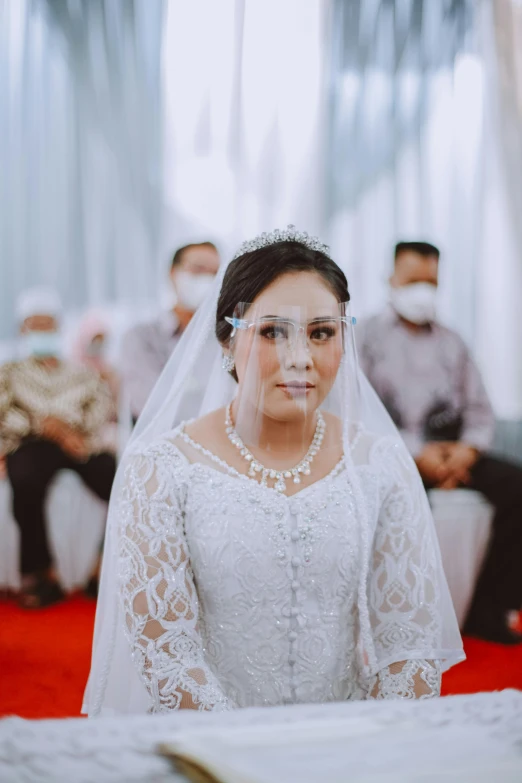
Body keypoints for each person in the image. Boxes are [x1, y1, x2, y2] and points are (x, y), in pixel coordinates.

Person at [84, 227, 463, 716]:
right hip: (210, 747)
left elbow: (408, 645)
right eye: (272, 332)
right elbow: (167, 655)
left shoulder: (381, 465)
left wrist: (374, 741)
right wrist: (254, 754)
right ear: (226, 340)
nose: (301, 358)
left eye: (321, 332)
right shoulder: (160, 470)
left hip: (353, 744)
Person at [358, 241, 522, 645]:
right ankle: (402, 618)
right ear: (391, 280)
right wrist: (416, 454)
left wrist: (466, 451)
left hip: (454, 452)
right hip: (393, 452)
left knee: (518, 486)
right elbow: (359, 411)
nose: (422, 290)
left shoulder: (453, 341)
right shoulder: (366, 338)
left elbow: (480, 409)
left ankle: (490, 606)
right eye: (413, 280)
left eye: (430, 281)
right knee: (400, 496)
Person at [0, 287, 117, 608]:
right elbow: (4, 414)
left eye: (48, 324)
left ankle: (104, 567)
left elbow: (100, 409)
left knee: (118, 479)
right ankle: (39, 574)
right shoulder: (9, 373)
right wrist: (44, 427)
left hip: (79, 444)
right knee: (25, 479)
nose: (42, 331)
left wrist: (68, 432)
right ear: (22, 329)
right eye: (34, 325)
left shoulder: (83, 374)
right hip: (31, 445)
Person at [120, 241, 220, 421]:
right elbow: (147, 402)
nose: (207, 280)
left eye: (214, 274)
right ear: (173, 273)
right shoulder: (142, 337)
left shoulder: (225, 337)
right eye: (198, 270)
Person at [71, 309, 119, 454]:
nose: (97, 345)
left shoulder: (108, 368)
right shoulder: (72, 368)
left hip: (107, 425)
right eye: (94, 340)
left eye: (101, 340)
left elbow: (116, 404)